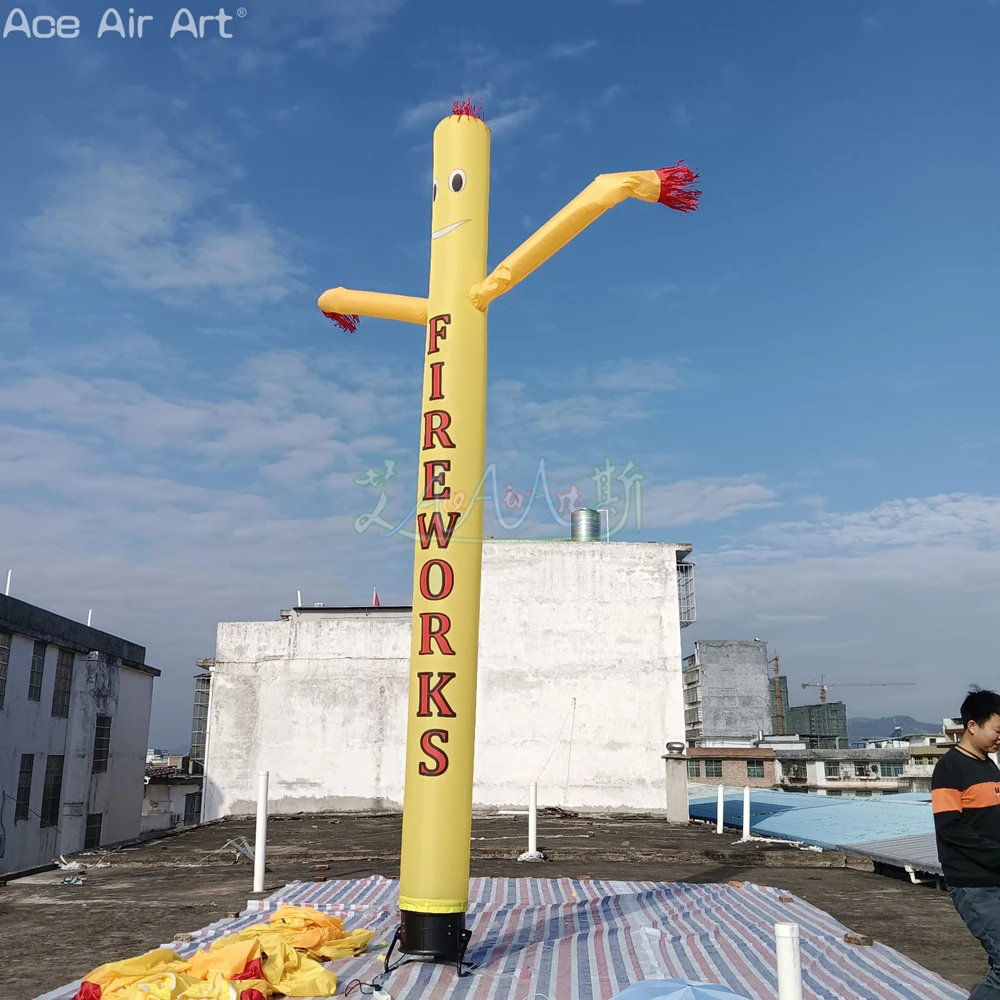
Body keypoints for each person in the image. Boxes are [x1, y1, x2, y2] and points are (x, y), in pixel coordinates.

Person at [933, 687, 1000, 999]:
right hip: (974, 883)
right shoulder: (949, 768)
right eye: (997, 730)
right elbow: (951, 828)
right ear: (972, 726)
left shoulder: (988, 765)